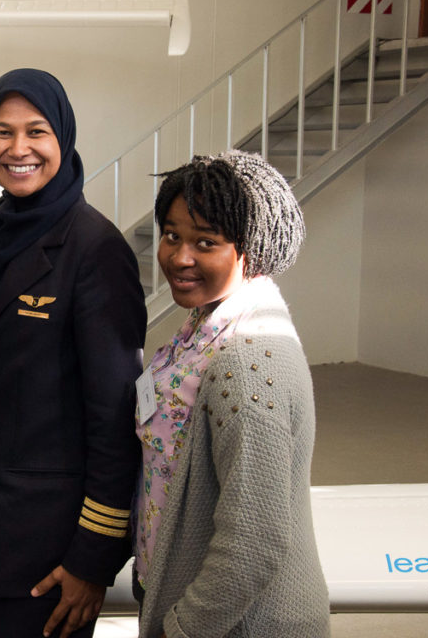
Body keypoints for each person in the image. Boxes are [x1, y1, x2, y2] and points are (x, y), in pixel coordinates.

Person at [0, 68, 147, 638]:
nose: (18, 148)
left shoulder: (95, 249)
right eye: (2, 132)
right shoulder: (0, 231)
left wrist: (92, 556)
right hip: (3, 520)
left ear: (63, 137)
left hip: (56, 545)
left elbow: (116, 416)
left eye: (36, 131)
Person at [134, 150, 330, 638]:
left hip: (234, 623)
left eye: (206, 242)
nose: (180, 257)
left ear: (252, 248)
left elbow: (254, 541)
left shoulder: (246, 364)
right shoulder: (207, 323)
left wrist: (180, 630)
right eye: (172, 236)